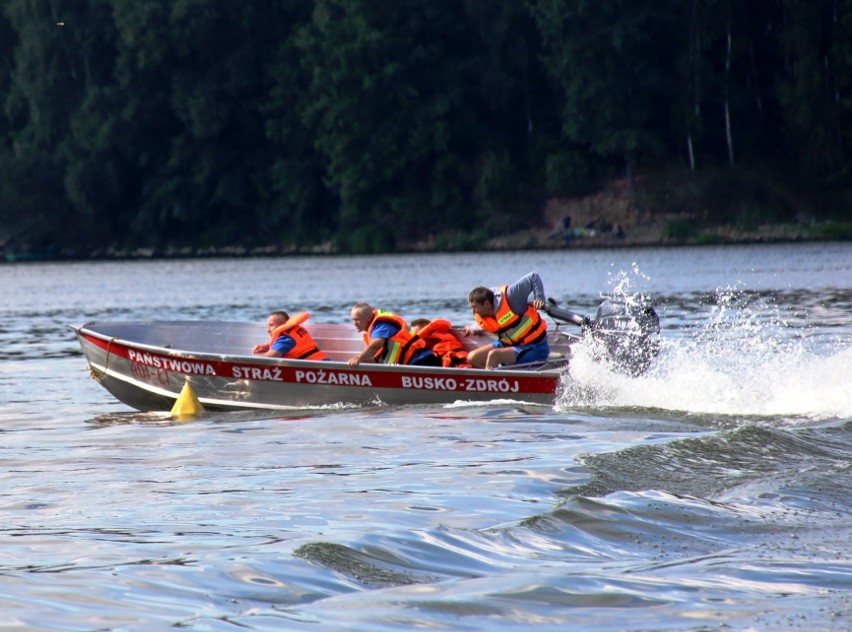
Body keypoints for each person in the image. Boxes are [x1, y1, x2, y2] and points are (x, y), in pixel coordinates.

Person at [462, 272, 550, 369]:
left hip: (534, 347)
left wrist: (539, 298)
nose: (474, 311)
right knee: (473, 358)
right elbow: (488, 324)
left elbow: (533, 277)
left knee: (493, 355)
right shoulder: (485, 313)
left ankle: (494, 381)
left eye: (475, 307)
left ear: (487, 304)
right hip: (508, 345)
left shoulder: (511, 297)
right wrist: (471, 329)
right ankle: (499, 378)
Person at [348, 303, 440, 367]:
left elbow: (375, 345)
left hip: (420, 360)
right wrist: (361, 361)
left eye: (357, 320)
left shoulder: (381, 325)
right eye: (353, 320)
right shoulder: (374, 328)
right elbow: (379, 358)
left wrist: (358, 358)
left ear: (368, 317)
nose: (354, 323)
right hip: (412, 362)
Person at [253, 311, 329, 361]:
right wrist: (266, 347)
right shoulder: (293, 331)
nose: (268, 330)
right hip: (322, 362)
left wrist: (255, 356)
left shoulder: (286, 339)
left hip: (317, 368)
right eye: (268, 326)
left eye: (271, 325)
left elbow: (270, 357)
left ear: (282, 325)